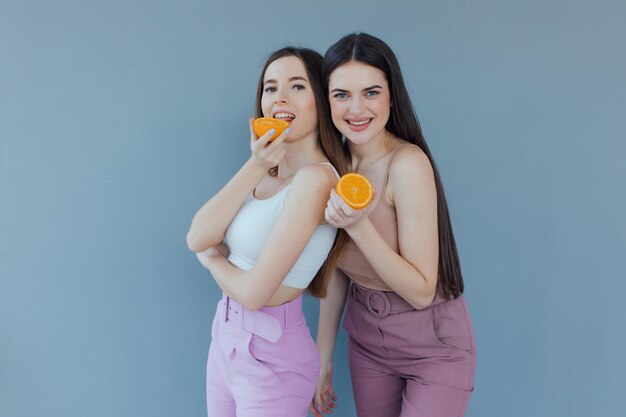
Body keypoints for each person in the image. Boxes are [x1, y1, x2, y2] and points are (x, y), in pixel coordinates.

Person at [310, 33, 476, 417]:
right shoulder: (329, 168)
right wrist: (323, 356)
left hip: (434, 346)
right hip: (367, 340)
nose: (356, 109)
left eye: (371, 92)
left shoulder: (407, 164)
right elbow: (336, 269)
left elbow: (420, 291)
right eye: (341, 95)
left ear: (391, 96)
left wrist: (358, 225)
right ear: (326, 100)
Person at [186, 47, 348, 417]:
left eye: (297, 86)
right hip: (225, 342)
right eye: (270, 88)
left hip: (274, 361)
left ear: (321, 101)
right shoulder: (267, 173)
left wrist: (212, 259)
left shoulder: (317, 179)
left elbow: (254, 293)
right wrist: (256, 164)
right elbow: (196, 236)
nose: (280, 98)